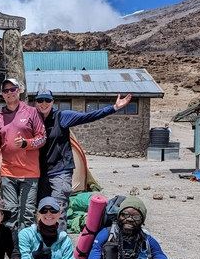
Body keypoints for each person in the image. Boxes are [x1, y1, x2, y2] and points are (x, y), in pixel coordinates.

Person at [35, 89, 132, 231]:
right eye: (40, 100)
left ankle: (60, 246)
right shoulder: (34, 120)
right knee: (42, 210)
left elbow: (89, 116)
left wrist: (114, 108)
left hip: (60, 172)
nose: (44, 103)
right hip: (41, 173)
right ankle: (44, 246)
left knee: (58, 210)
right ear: (35, 102)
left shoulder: (62, 117)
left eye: (47, 100)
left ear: (53, 102)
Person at [0, 78, 46, 231]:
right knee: (9, 212)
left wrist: (26, 143)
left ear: (18, 90)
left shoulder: (32, 112)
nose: (10, 93)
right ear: (2, 94)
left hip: (30, 173)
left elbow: (42, 138)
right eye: (6, 91)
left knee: (27, 214)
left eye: (12, 89)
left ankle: (25, 250)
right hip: (8, 172)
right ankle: (11, 250)